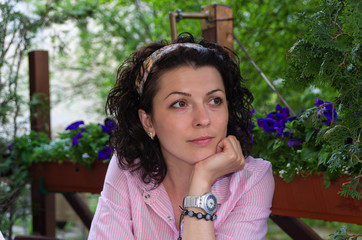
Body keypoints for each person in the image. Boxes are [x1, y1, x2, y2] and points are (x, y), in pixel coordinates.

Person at [88, 33, 274, 240]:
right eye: (180, 104)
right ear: (148, 121)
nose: (203, 119)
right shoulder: (128, 169)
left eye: (215, 100)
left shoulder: (252, 178)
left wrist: (202, 179)